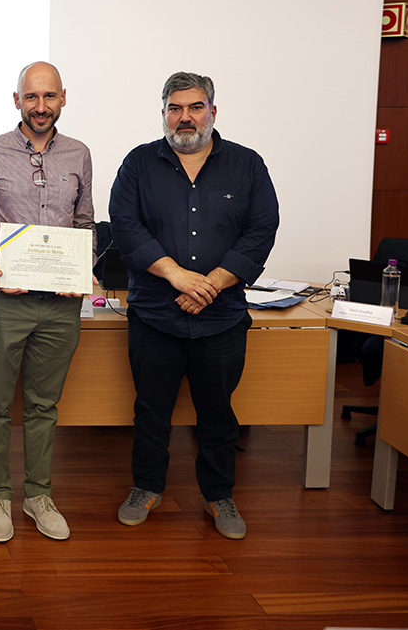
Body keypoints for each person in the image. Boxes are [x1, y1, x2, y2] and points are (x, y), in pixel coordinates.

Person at [109, 71, 278, 540]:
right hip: (155, 315)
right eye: (175, 108)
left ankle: (219, 495)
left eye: (195, 107)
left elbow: (261, 230)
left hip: (222, 318)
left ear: (212, 111)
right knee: (150, 410)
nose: (185, 117)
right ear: (163, 112)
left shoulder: (247, 165)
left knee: (218, 412)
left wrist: (213, 284)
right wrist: (178, 276)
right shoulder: (138, 164)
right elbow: (125, 227)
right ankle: (146, 487)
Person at [0, 61, 95, 543]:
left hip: (60, 304)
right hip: (6, 299)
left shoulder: (80, 154)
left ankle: (38, 495)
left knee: (44, 405)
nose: (40, 107)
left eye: (49, 97)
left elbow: (85, 224)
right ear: (16, 99)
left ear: (63, 97)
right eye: (31, 97)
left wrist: (81, 271)